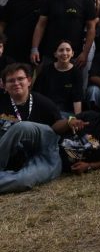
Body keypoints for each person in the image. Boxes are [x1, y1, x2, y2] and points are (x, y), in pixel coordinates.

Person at [0, 63, 68, 194]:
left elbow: (56, 130)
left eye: (20, 79)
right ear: (4, 85)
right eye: (11, 81)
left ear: (29, 81)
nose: (16, 83)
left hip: (43, 152)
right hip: (13, 153)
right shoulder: (2, 102)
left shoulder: (43, 102)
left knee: (22, 127)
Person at [30, 0, 97, 69]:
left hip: (74, 56)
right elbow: (41, 25)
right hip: (50, 54)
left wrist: (85, 53)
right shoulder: (50, 0)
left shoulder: (85, 1)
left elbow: (91, 29)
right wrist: (34, 48)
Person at [0, 0, 46, 64]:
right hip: (11, 49)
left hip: (34, 51)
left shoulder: (46, 2)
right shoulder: (13, 1)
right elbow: (3, 23)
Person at [33, 40, 83, 116]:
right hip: (46, 110)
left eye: (68, 50)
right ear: (55, 54)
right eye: (61, 50)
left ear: (72, 53)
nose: (65, 53)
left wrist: (78, 118)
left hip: (66, 112)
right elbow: (37, 93)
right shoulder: (46, 70)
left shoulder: (76, 73)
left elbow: (77, 98)